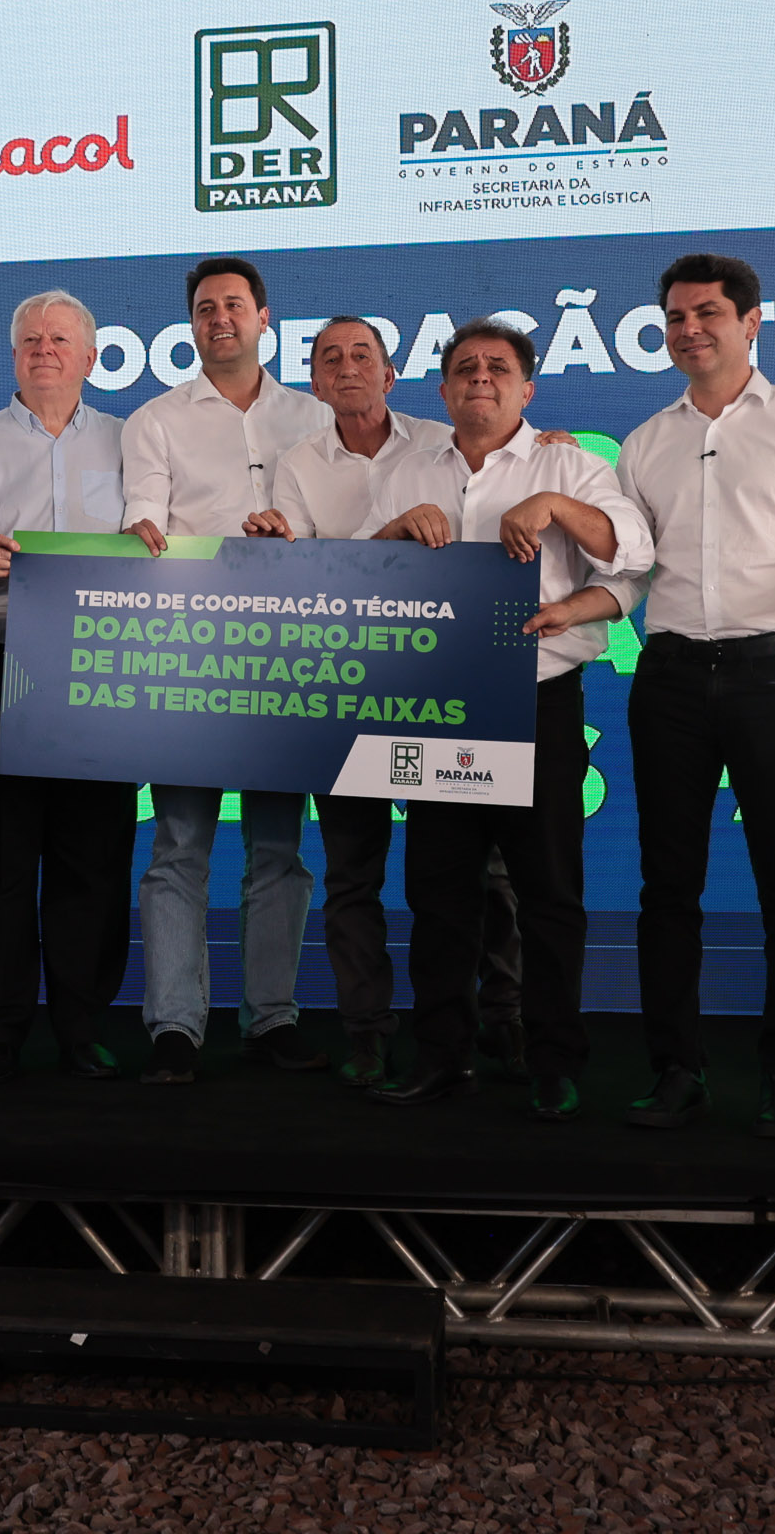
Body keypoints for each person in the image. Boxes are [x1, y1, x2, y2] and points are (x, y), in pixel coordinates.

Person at [616, 253, 775, 1137]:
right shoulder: (646, 441)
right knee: (666, 884)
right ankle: (675, 1069)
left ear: (752, 322)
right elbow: (626, 567)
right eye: (676, 317)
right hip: (670, 679)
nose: (689, 330)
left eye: (708, 314)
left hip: (774, 675)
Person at [365, 318, 649, 1119]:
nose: (480, 378)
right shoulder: (407, 470)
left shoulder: (570, 464)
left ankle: (553, 1060)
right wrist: (394, 532)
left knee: (548, 892)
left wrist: (556, 506)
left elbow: (631, 554)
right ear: (443, 390)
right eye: (465, 368)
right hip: (434, 707)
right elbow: (357, 577)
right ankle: (441, 1056)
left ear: (527, 389)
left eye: (497, 367)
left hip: (537, 703)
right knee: (438, 894)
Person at [118, 256, 332, 1084]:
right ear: (192, 324)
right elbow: (144, 517)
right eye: (205, 308)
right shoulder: (156, 420)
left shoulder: (314, 415)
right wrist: (141, 533)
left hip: (289, 657)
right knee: (178, 846)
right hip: (188, 655)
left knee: (279, 846)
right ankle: (175, 1025)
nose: (220, 319)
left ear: (264, 318)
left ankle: (272, 1017)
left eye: (234, 305)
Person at [0, 289, 137, 1082]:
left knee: (95, 856)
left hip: (105, 672)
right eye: (30, 340)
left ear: (90, 356)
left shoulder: (133, 441)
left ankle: (83, 1025)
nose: (44, 350)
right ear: (12, 356)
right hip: (3, 659)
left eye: (60, 340)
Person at [258, 315, 459, 1089]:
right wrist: (390, 534)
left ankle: (486, 1028)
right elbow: (309, 582)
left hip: (444, 688)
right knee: (351, 876)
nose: (347, 367)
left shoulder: (444, 443)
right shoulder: (297, 464)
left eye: (362, 355)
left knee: (467, 876)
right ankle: (368, 1034)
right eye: (330, 358)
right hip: (341, 691)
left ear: (391, 373)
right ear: (315, 382)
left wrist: (550, 449)